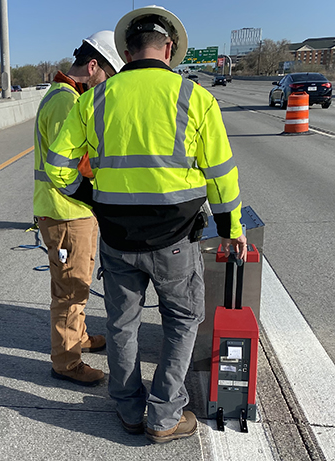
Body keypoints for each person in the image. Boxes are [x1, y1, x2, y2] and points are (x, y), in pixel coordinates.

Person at [45, 6, 247, 443]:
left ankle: (129, 408)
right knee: (181, 320)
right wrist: (232, 232)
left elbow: (57, 167)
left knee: (121, 324)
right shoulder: (195, 98)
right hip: (176, 239)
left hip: (117, 238)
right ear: (169, 49)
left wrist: (94, 200)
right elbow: (222, 176)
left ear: (126, 51)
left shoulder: (94, 99)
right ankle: (165, 417)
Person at [34, 31, 123, 387]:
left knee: (79, 280)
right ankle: (67, 361)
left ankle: (80, 336)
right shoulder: (66, 102)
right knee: (70, 288)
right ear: (93, 66)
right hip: (65, 211)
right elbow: (72, 163)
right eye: (107, 76)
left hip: (70, 211)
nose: (106, 85)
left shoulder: (65, 95)